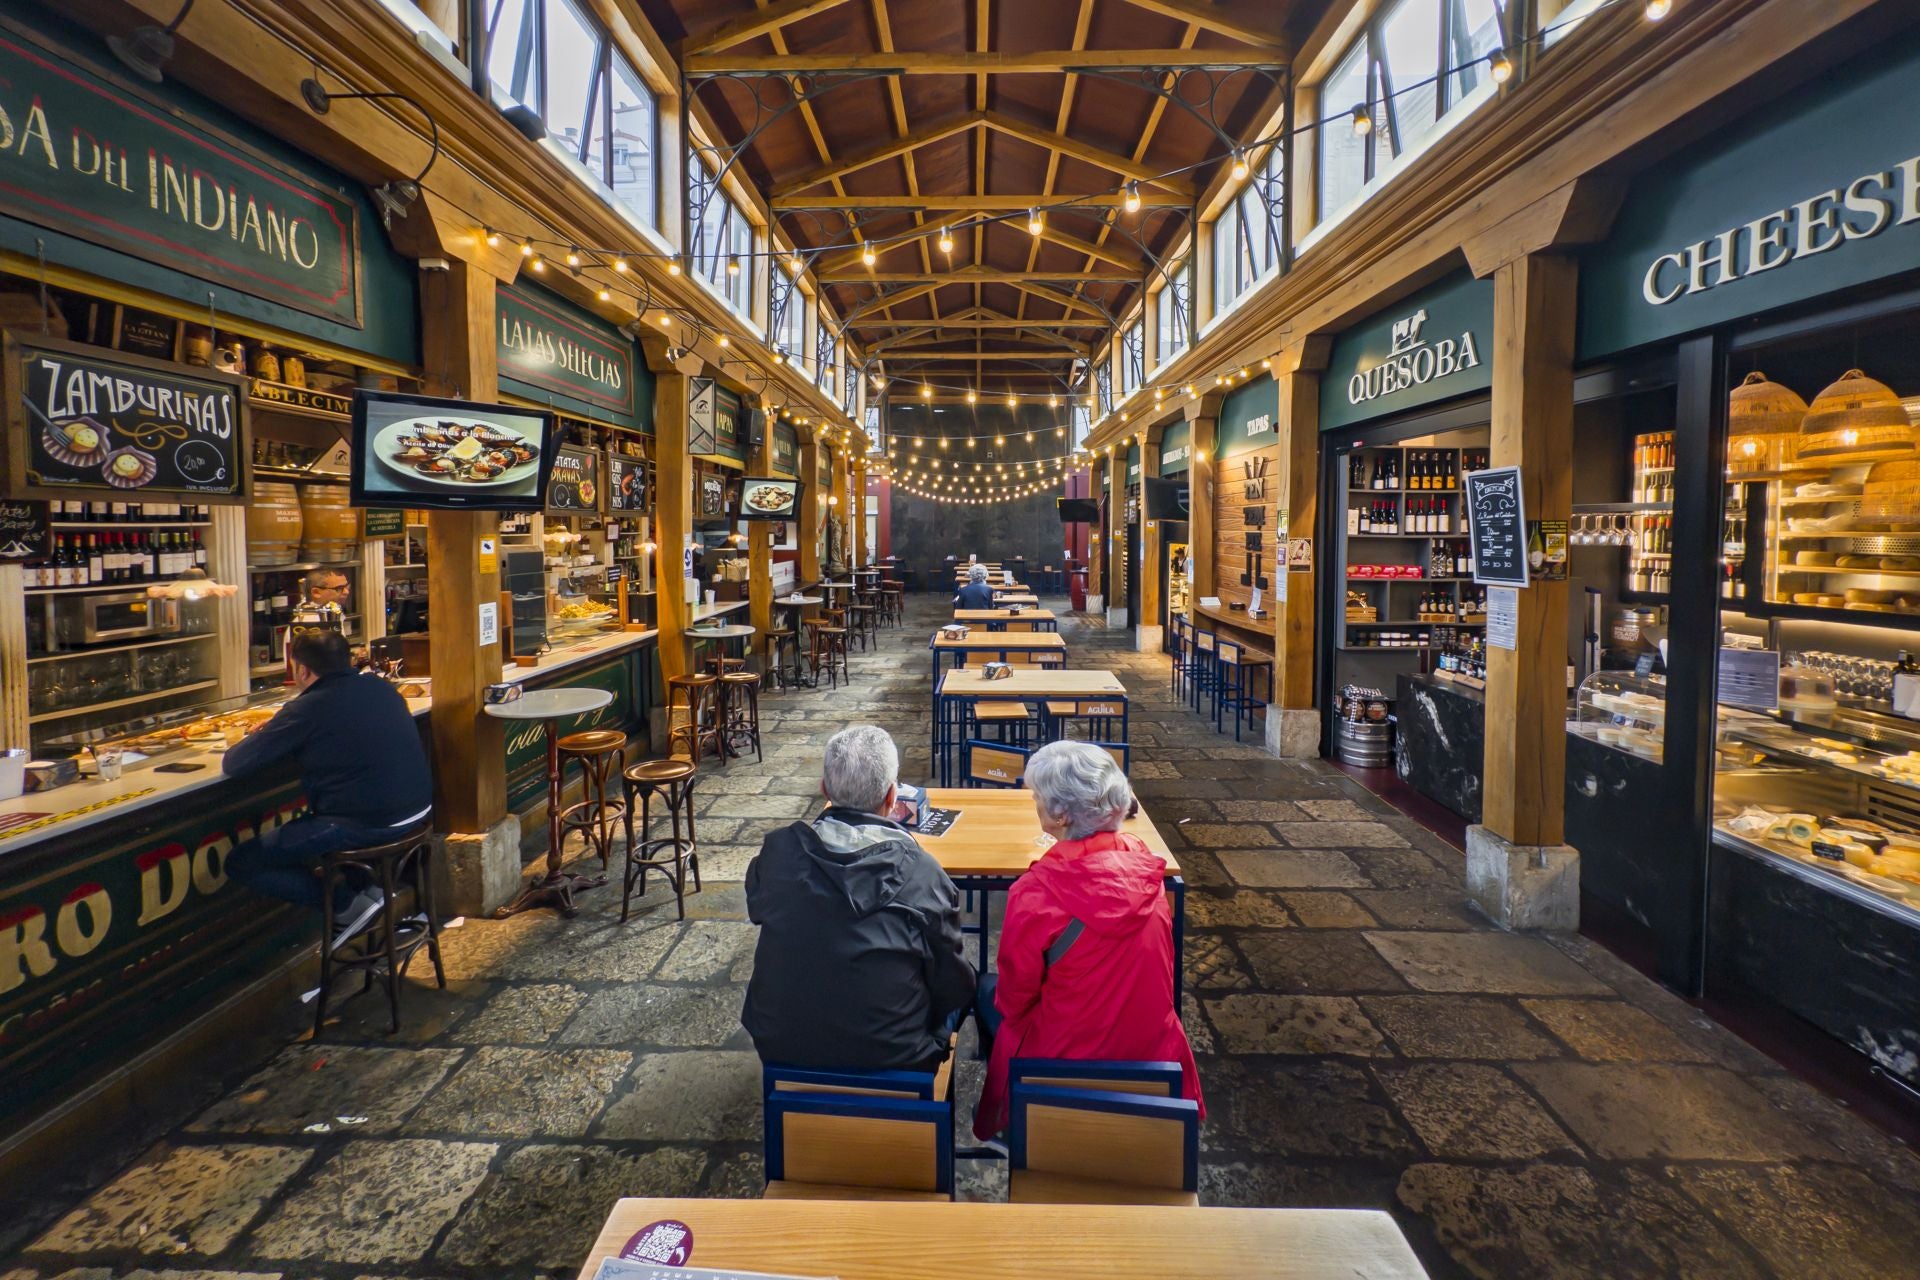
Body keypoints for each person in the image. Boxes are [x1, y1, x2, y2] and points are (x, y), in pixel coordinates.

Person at [973, 740, 1204, 1140]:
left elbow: (1015, 999)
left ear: (1060, 816)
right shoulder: (1145, 865)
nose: (1035, 805)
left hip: (1065, 1058)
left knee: (984, 992)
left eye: (1037, 798)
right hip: (1150, 1051)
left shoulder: (1035, 894)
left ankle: (1014, 1124)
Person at [743, 724, 975, 1073]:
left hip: (781, 1043)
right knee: (965, 987)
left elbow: (759, 905)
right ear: (892, 797)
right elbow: (953, 985)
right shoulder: (923, 875)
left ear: (824, 789)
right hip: (895, 1056)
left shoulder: (778, 853)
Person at [222, 629, 433, 948]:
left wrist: (278, 728)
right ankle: (375, 894)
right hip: (419, 812)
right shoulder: (380, 686)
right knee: (332, 819)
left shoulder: (307, 708)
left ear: (302, 670)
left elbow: (235, 762)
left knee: (242, 861)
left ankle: (348, 906)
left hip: (367, 825)